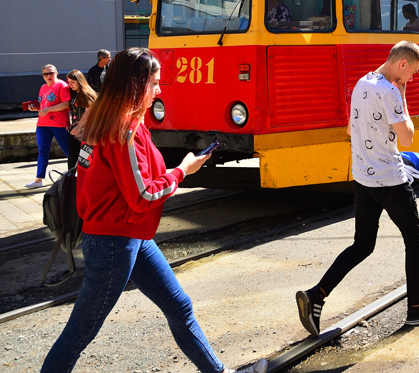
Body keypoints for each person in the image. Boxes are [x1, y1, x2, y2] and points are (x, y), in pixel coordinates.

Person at [41, 48, 267, 373]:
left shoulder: (104, 119)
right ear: (136, 86)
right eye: (155, 83)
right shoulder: (124, 130)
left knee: (179, 306)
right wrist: (182, 171)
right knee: (79, 333)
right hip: (115, 243)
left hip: (128, 236)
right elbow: (143, 195)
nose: (159, 91)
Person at [296, 41, 419, 337]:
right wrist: (402, 97)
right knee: (414, 240)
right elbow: (407, 139)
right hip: (390, 180)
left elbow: (352, 131)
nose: (411, 80)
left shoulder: (362, 83)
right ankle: (416, 309)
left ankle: (316, 295)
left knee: (362, 245)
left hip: (363, 179)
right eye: (412, 72)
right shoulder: (390, 91)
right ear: (402, 63)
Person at [27, 65, 71, 189]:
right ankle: (38, 179)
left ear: (56, 73)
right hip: (42, 124)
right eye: (46, 74)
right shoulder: (43, 87)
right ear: (42, 76)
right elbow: (43, 106)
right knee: (42, 152)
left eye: (51, 73)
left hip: (59, 123)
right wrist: (37, 109)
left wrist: (48, 109)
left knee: (68, 150)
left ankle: (79, 173)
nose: (49, 76)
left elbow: (66, 104)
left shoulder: (62, 85)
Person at [65, 69, 97, 171]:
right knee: (73, 158)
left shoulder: (86, 94)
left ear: (80, 81)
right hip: (75, 130)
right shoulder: (75, 94)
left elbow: (89, 112)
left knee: (85, 159)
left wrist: (79, 127)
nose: (71, 85)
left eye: (73, 82)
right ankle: (72, 179)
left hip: (85, 131)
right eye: (69, 82)